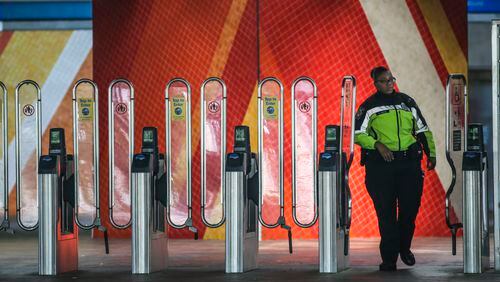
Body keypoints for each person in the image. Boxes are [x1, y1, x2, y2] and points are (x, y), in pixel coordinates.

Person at [354, 66, 436, 271]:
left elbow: (423, 129)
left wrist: (431, 153)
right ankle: (389, 259)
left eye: (391, 79)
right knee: (386, 214)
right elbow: (356, 133)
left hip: (409, 164)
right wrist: (377, 144)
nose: (389, 83)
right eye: (384, 81)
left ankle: (404, 248)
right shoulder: (369, 106)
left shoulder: (407, 102)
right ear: (375, 83)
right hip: (381, 167)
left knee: (409, 211)